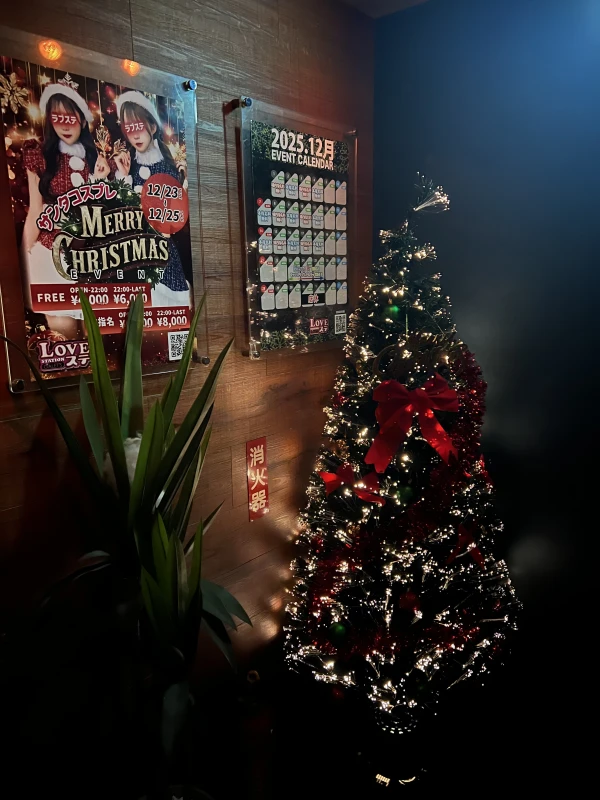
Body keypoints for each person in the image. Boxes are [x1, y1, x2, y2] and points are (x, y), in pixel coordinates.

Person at [21, 74, 109, 337]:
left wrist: (101, 180)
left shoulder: (99, 160)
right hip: (51, 256)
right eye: (58, 117)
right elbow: (35, 211)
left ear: (81, 119)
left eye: (70, 117)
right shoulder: (40, 157)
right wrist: (25, 260)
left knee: (98, 341)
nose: (65, 125)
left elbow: (107, 214)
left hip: (93, 259)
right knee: (65, 337)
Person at [114, 90, 190, 308]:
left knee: (169, 312)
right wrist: (124, 177)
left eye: (139, 127)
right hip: (132, 255)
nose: (136, 135)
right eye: (130, 129)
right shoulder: (127, 166)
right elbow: (120, 214)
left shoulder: (169, 167)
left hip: (163, 255)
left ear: (153, 127)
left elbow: (174, 222)